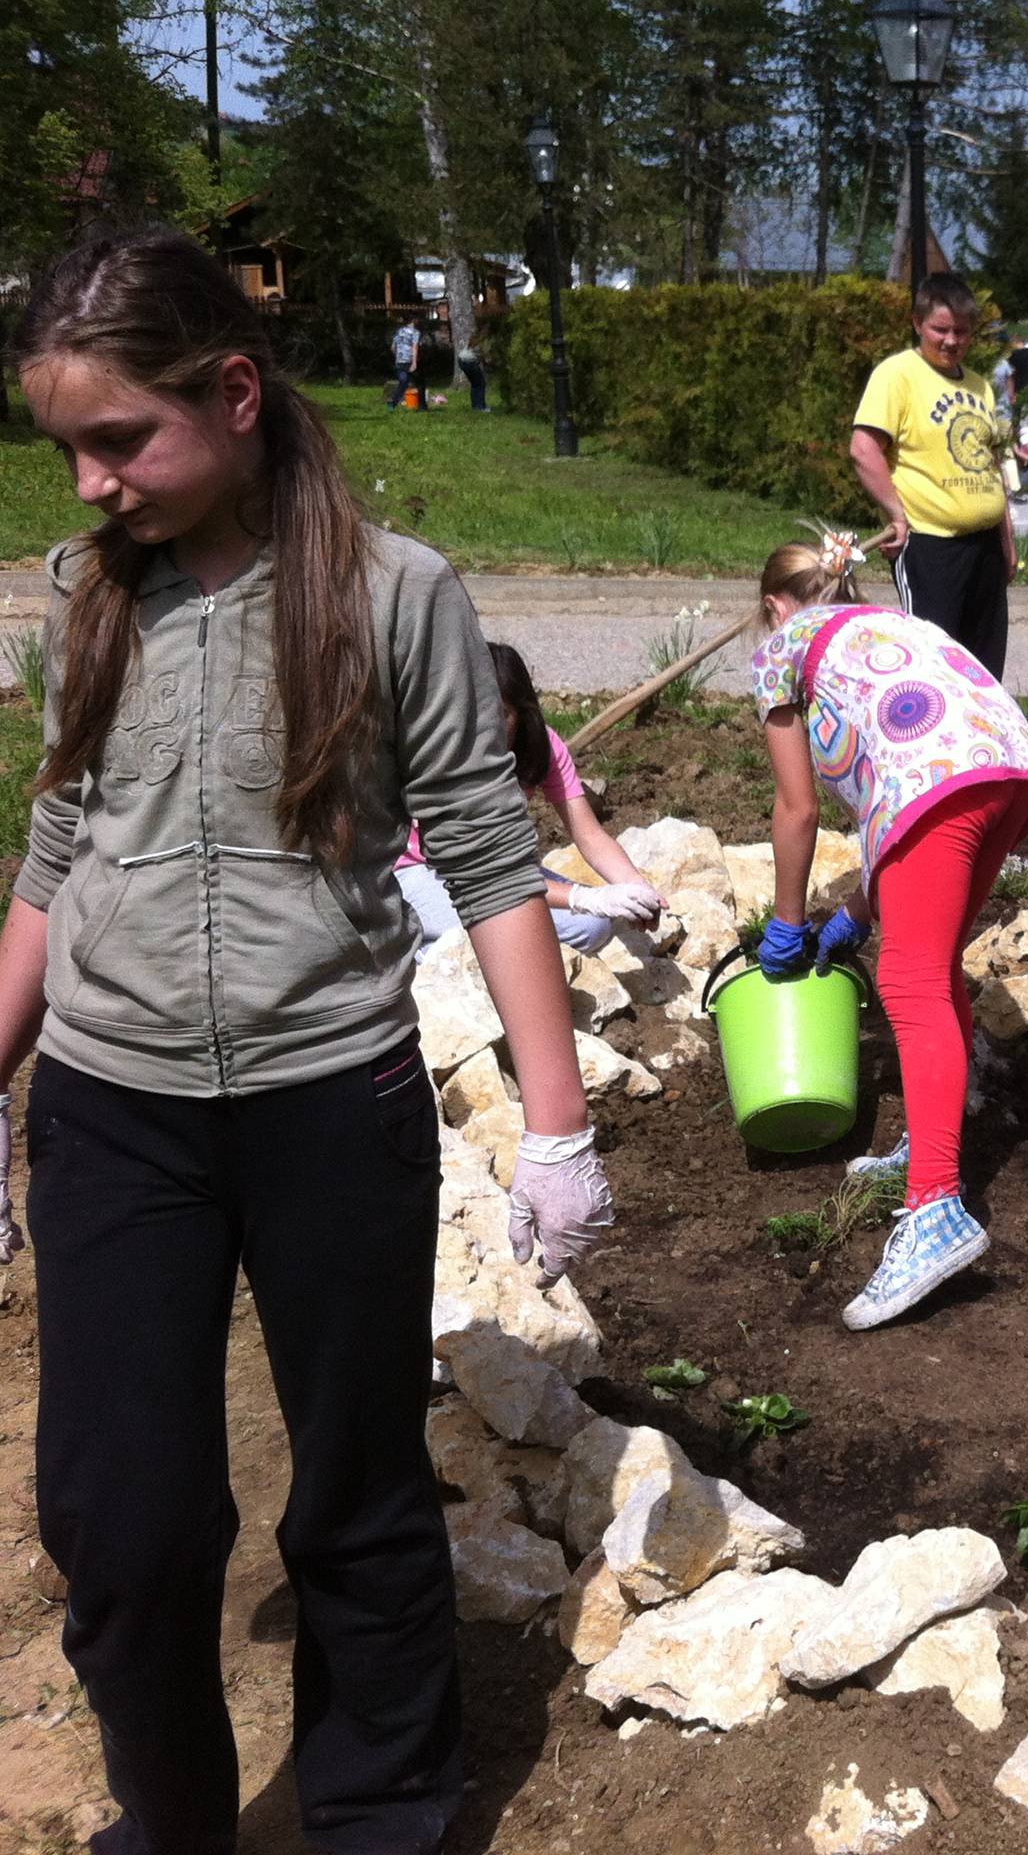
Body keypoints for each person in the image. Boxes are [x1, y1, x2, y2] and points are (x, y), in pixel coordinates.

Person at [0, 225, 614, 1854]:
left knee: (356, 1493)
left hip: (331, 1104)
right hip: (112, 1110)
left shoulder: (395, 595)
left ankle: (380, 1812)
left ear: (236, 392)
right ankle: (171, 1824)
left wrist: (557, 1124)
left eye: (120, 439)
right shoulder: (90, 597)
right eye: (67, 450)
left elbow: (487, 854)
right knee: (120, 1521)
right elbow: (56, 855)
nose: (91, 483)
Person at [749, 528, 1028, 1328]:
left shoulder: (782, 646)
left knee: (909, 981)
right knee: (934, 964)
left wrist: (787, 924)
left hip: (938, 780)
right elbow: (899, 770)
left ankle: (935, 1210)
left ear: (776, 605)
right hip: (1007, 768)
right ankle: (933, 1142)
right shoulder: (886, 623)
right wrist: (857, 912)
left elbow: (797, 808)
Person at [395, 641, 667, 956]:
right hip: (420, 870)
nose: (484, 726)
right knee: (492, 937)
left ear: (522, 714)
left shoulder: (542, 747)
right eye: (473, 711)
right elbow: (481, 868)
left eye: (500, 714)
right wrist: (582, 897)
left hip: (497, 872)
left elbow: (589, 834)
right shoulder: (443, 750)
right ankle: (416, 952)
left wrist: (635, 886)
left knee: (592, 927)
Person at [851, 273, 1018, 679]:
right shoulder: (898, 374)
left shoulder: (980, 387)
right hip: (931, 545)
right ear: (917, 323)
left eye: (961, 331)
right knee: (935, 669)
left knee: (983, 669)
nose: (951, 341)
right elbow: (864, 449)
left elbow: (991, 463)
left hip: (984, 547)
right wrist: (896, 513)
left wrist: (1006, 540)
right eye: (940, 330)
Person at [389, 315, 421, 410]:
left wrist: (397, 356)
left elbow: (393, 347)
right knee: (419, 382)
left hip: (399, 361)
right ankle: (420, 403)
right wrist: (414, 362)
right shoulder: (415, 332)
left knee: (403, 381)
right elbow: (415, 347)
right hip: (409, 360)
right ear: (414, 320)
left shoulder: (400, 331)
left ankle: (393, 402)